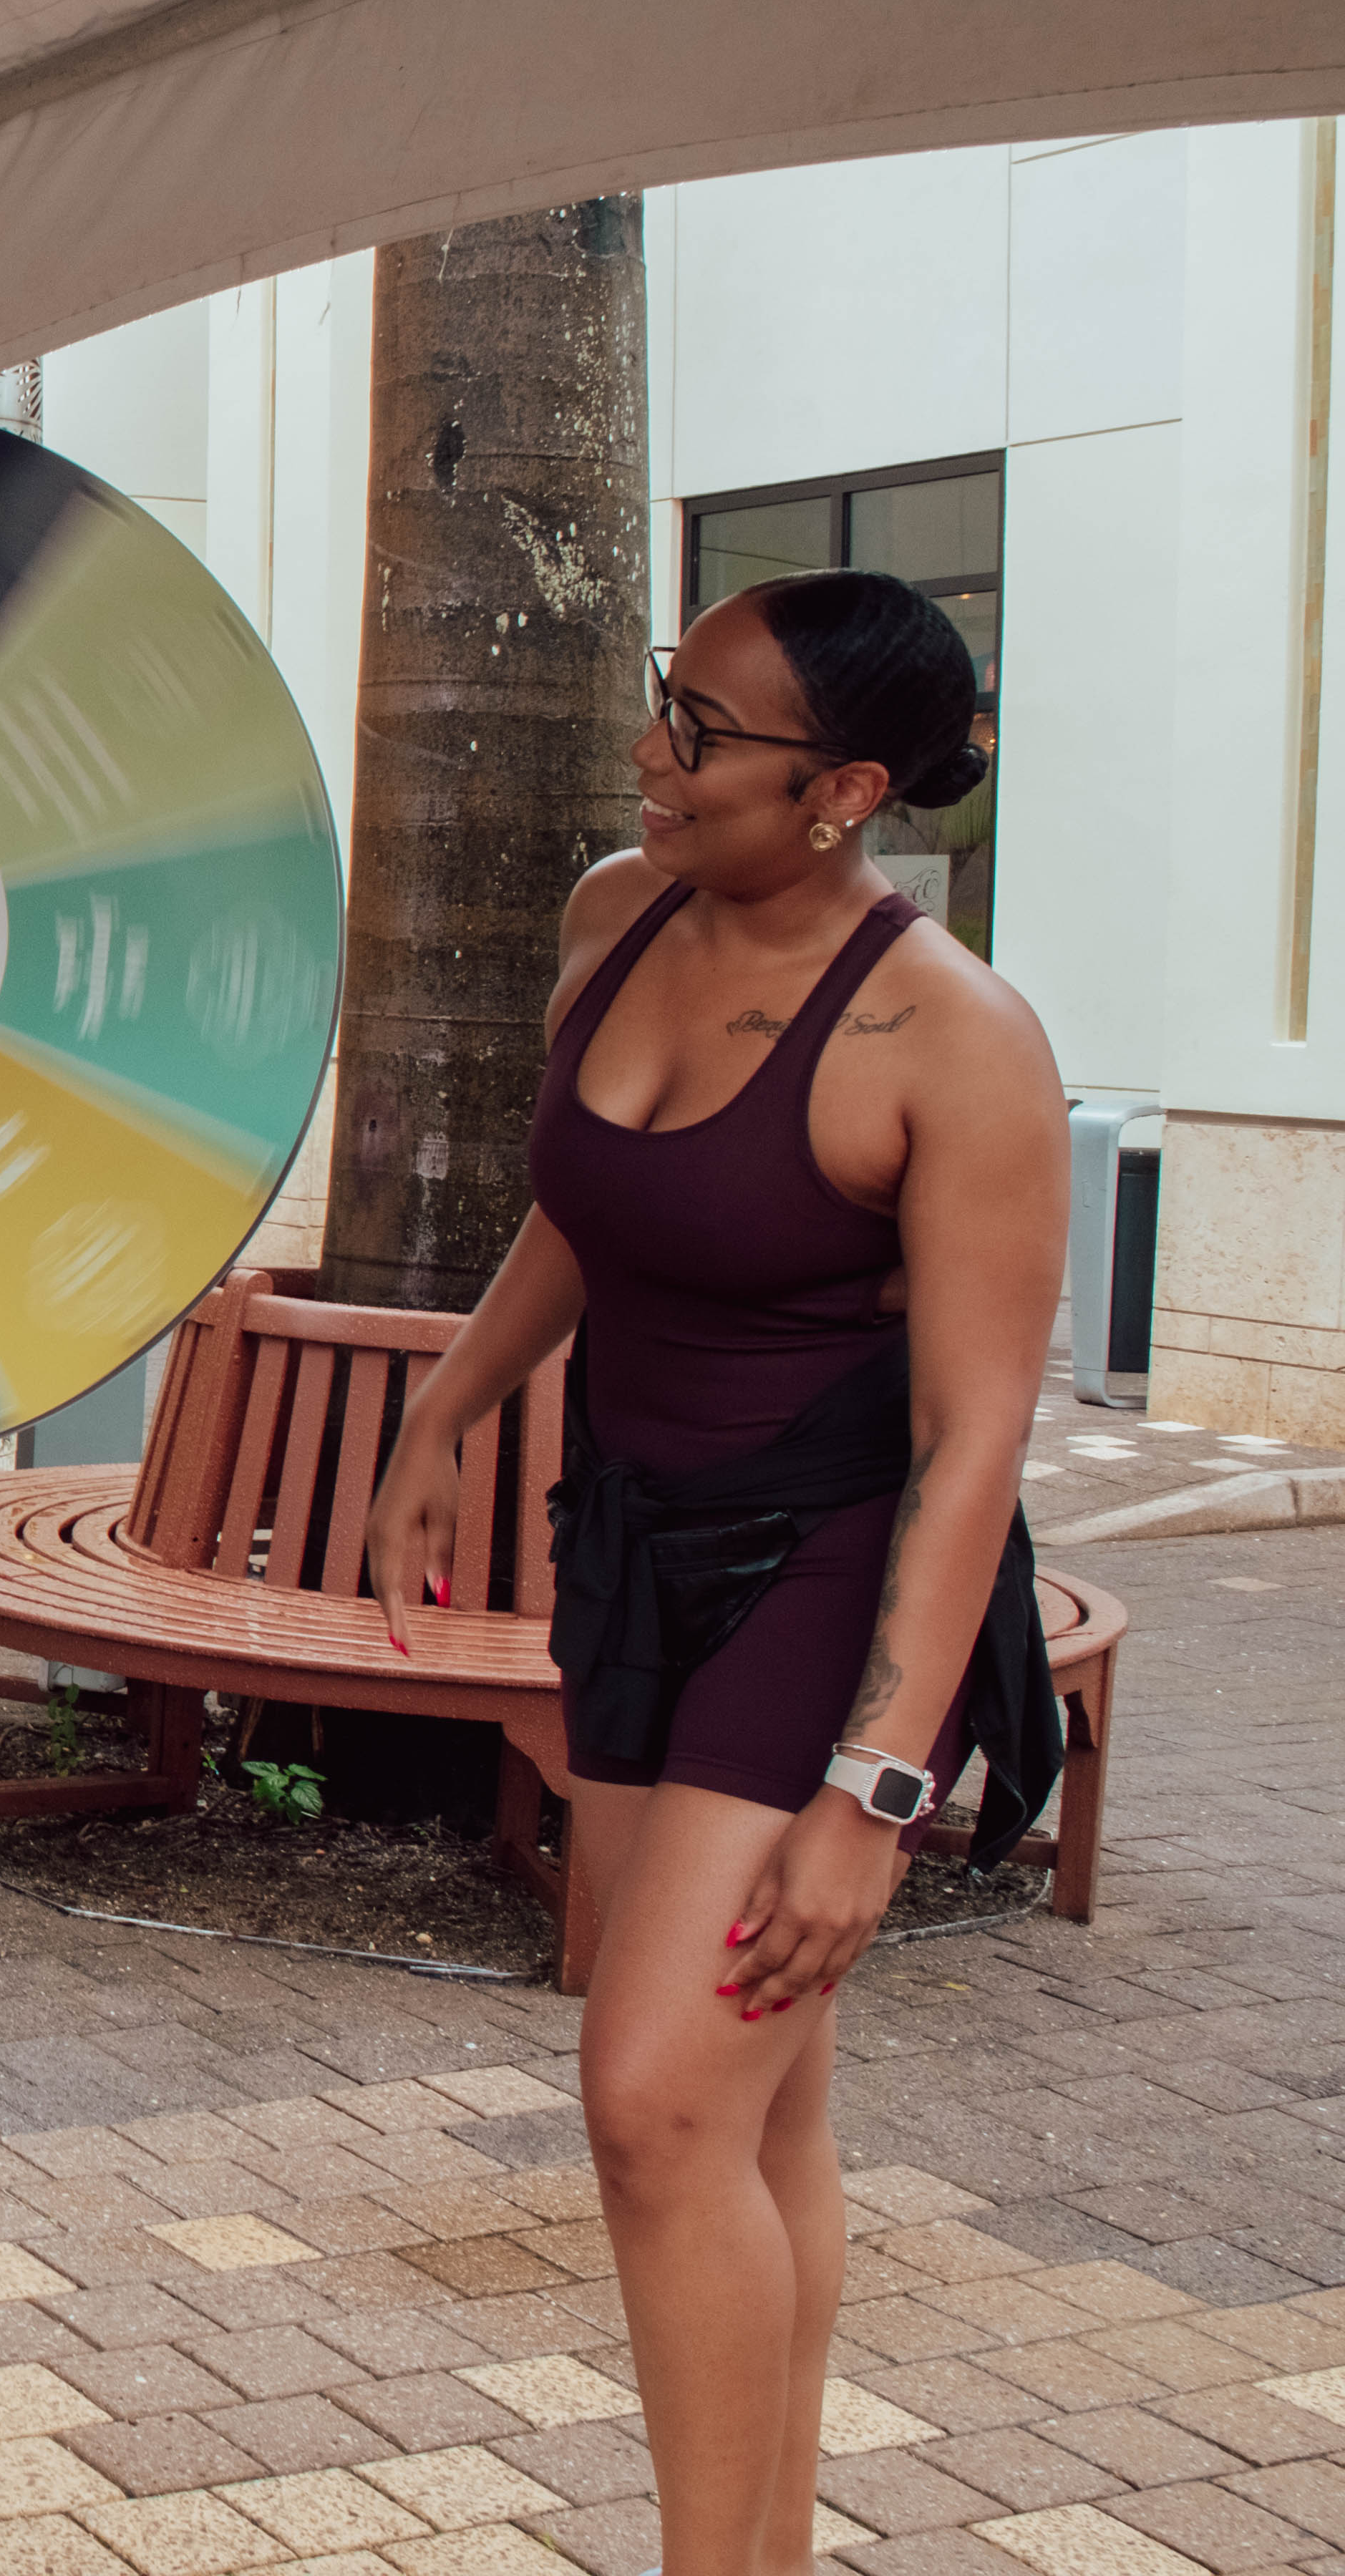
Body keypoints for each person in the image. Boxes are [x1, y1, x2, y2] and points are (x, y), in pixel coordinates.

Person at [361, 574, 1064, 2576]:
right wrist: (448, 1412)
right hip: (640, 1552)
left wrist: (875, 1796)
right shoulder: (619, 915)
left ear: (845, 788)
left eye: (705, 731)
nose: (653, 752)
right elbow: (595, 1210)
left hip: (835, 1581)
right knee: (758, 2116)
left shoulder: (956, 1036)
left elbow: (973, 1445)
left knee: (658, 2102)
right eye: (667, 700)